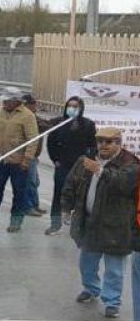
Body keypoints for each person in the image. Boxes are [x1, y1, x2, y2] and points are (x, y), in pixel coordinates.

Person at [61, 127, 139, 319]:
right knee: (87, 262)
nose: (103, 145)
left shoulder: (131, 163)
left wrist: (100, 171)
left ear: (119, 143)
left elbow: (123, 183)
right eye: (100, 141)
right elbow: (71, 184)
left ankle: (112, 302)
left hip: (117, 225)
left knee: (114, 268)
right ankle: (90, 288)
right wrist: (65, 208)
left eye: (109, 141)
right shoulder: (85, 160)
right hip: (89, 222)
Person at [0, 87, 39, 233]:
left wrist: (26, 160)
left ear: (16, 101)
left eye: (7, 100)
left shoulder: (27, 116)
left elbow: (33, 140)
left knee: (19, 193)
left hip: (18, 163)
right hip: (2, 160)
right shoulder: (1, 112)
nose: (4, 103)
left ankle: (16, 221)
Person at [45, 96, 97, 236]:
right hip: (63, 165)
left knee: (82, 196)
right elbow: (51, 144)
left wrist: (89, 160)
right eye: (70, 106)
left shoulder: (88, 125)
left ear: (81, 108)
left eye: (75, 106)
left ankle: (80, 226)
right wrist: (55, 160)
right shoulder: (58, 123)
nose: (72, 109)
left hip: (81, 167)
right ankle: (55, 224)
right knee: (59, 194)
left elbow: (93, 145)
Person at [21, 94, 52, 218]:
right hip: (28, 155)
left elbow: (45, 123)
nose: (36, 106)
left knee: (34, 181)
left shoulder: (33, 116)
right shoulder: (28, 118)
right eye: (33, 104)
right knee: (30, 182)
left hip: (33, 155)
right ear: (26, 105)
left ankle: (34, 204)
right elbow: (45, 126)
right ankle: (28, 206)